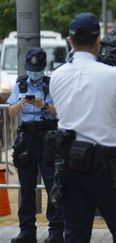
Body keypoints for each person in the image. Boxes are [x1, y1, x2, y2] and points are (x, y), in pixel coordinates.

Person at [49, 12, 116, 243]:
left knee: (75, 233)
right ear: (98, 41)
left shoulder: (57, 75)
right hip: (104, 164)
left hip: (69, 160)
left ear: (70, 40)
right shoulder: (111, 74)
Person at [7, 47, 63, 243]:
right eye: (31, 68)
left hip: (48, 135)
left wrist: (44, 106)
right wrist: (21, 103)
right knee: (27, 186)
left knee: (52, 184)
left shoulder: (52, 84)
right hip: (27, 137)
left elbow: (61, 111)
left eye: (37, 68)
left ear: (44, 66)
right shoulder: (20, 84)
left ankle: (56, 231)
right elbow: (11, 112)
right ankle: (27, 231)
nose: (34, 72)